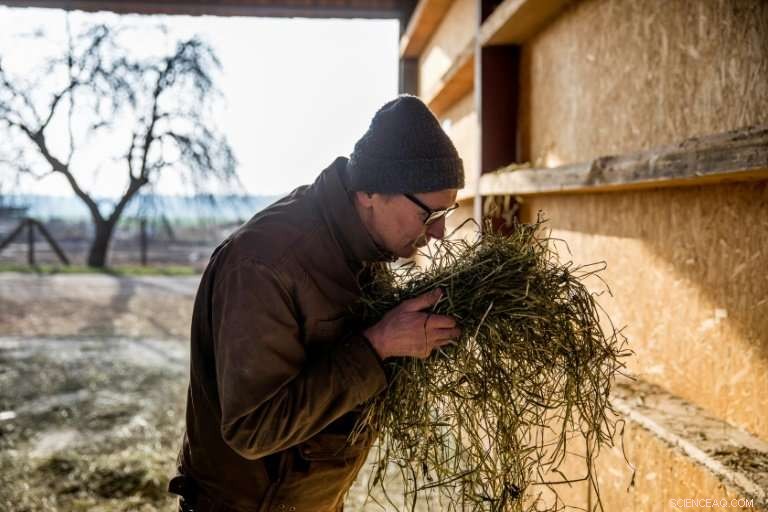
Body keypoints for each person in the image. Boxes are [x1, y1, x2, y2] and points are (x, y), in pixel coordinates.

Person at [169, 95, 464, 511]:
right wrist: (378, 345)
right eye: (429, 214)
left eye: (448, 212)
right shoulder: (264, 264)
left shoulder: (364, 247)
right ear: (370, 191)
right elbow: (254, 429)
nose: (440, 233)